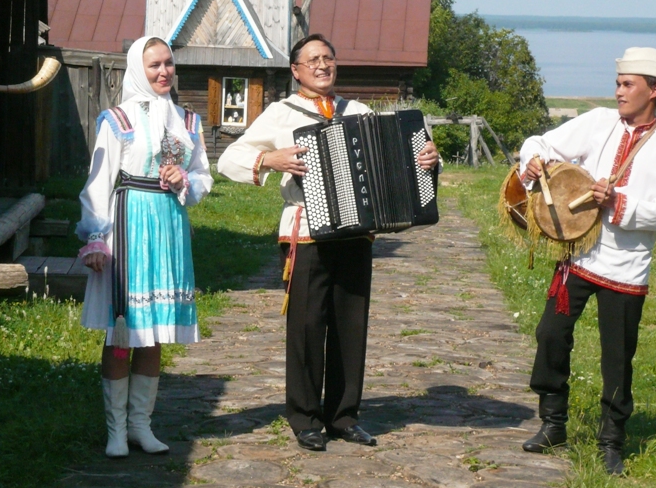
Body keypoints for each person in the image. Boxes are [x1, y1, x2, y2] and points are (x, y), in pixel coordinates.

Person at [218, 33, 439, 452]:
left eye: (328, 58)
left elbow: (397, 158)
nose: (322, 65)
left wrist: (427, 157)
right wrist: (270, 159)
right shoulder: (280, 114)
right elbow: (228, 158)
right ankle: (304, 418)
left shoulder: (357, 111)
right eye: (313, 59)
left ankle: (343, 417)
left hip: (356, 233)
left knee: (350, 326)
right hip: (305, 234)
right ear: (296, 70)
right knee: (305, 325)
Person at [518, 47, 656, 475]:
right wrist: (533, 160)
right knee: (550, 334)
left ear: (655, 90)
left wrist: (618, 201)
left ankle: (611, 441)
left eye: (627, 84)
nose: (618, 92)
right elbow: (540, 141)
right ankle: (553, 423)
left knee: (617, 356)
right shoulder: (597, 123)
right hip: (578, 256)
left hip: (628, 266)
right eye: (617, 83)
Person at [76, 36, 213, 458]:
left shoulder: (188, 121)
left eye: (169, 64)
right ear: (139, 68)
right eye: (154, 64)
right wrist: (95, 236)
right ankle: (116, 430)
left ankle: (141, 426)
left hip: (168, 224)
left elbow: (204, 176)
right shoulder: (118, 119)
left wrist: (184, 183)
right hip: (129, 223)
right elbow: (98, 182)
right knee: (124, 332)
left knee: (153, 335)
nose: (163, 72)